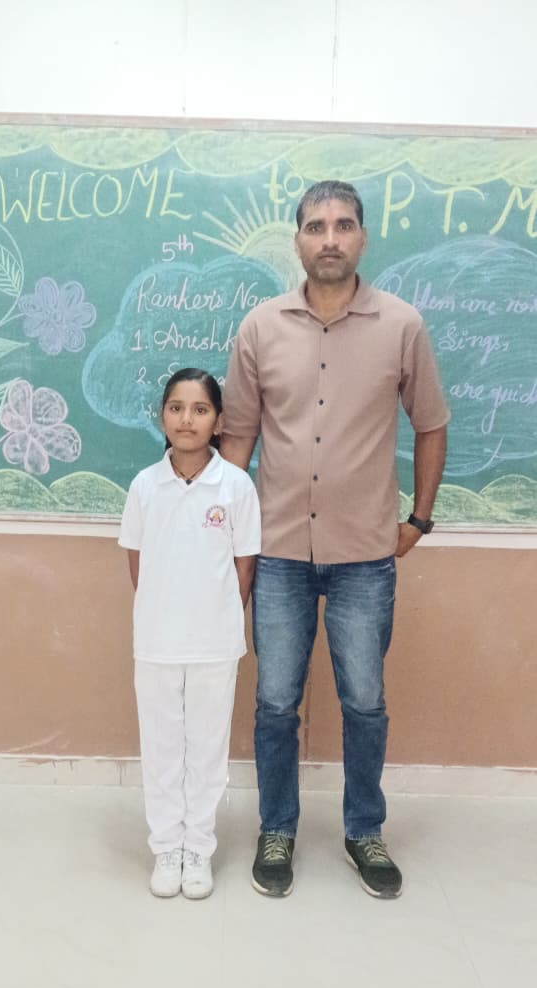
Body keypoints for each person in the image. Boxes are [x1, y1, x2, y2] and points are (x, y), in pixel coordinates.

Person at [221, 180, 448, 901]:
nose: (329, 238)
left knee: (364, 703)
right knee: (274, 703)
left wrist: (418, 520)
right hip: (279, 549)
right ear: (297, 239)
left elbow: (431, 423)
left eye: (342, 225)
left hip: (364, 557)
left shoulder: (401, 325)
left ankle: (363, 831)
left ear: (361, 237)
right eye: (315, 226)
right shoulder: (260, 327)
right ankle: (277, 829)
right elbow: (237, 437)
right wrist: (222, 534)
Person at [119, 368, 261, 900]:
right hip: (156, 641)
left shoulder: (236, 486)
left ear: (218, 422)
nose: (187, 419)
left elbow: (244, 566)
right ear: (162, 417)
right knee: (161, 747)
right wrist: (165, 612)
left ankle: (198, 846)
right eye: (176, 408)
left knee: (206, 747)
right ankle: (166, 847)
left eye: (200, 409)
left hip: (214, 643)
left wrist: (216, 617)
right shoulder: (144, 486)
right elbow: (138, 564)